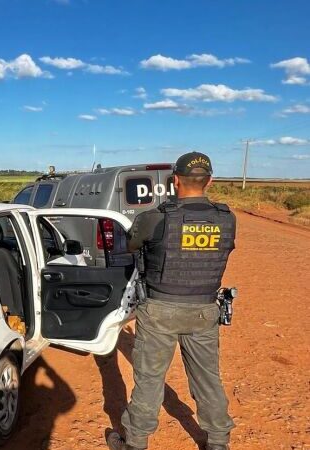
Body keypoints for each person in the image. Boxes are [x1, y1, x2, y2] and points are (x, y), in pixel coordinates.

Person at [107, 152, 236, 450]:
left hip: (160, 310)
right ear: (210, 181)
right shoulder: (227, 219)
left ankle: (135, 442)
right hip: (204, 311)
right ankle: (217, 443)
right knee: (208, 379)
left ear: (174, 181)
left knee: (149, 379)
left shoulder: (155, 217)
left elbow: (131, 245)